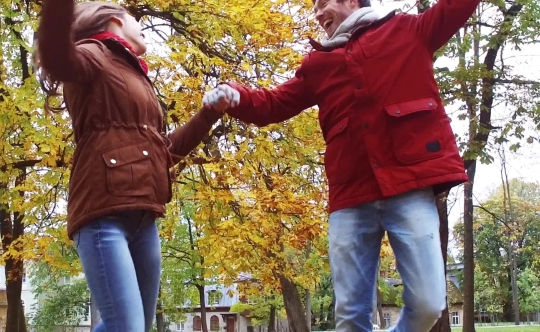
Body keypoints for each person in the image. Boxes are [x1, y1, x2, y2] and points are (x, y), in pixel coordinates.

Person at [203, 0, 480, 330]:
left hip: (409, 187)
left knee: (428, 303)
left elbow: (455, 8)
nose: (317, 13)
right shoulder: (320, 63)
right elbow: (274, 104)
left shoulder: (407, 30)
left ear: (351, 1)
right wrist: (235, 95)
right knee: (349, 315)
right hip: (350, 196)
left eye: (322, 3)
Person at [35, 1, 229, 331]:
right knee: (126, 326)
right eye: (134, 19)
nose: (140, 26)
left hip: (144, 218)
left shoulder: (135, 74)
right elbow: (55, 56)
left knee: (135, 326)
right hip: (102, 213)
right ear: (115, 20)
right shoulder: (93, 55)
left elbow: (163, 151)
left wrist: (208, 114)